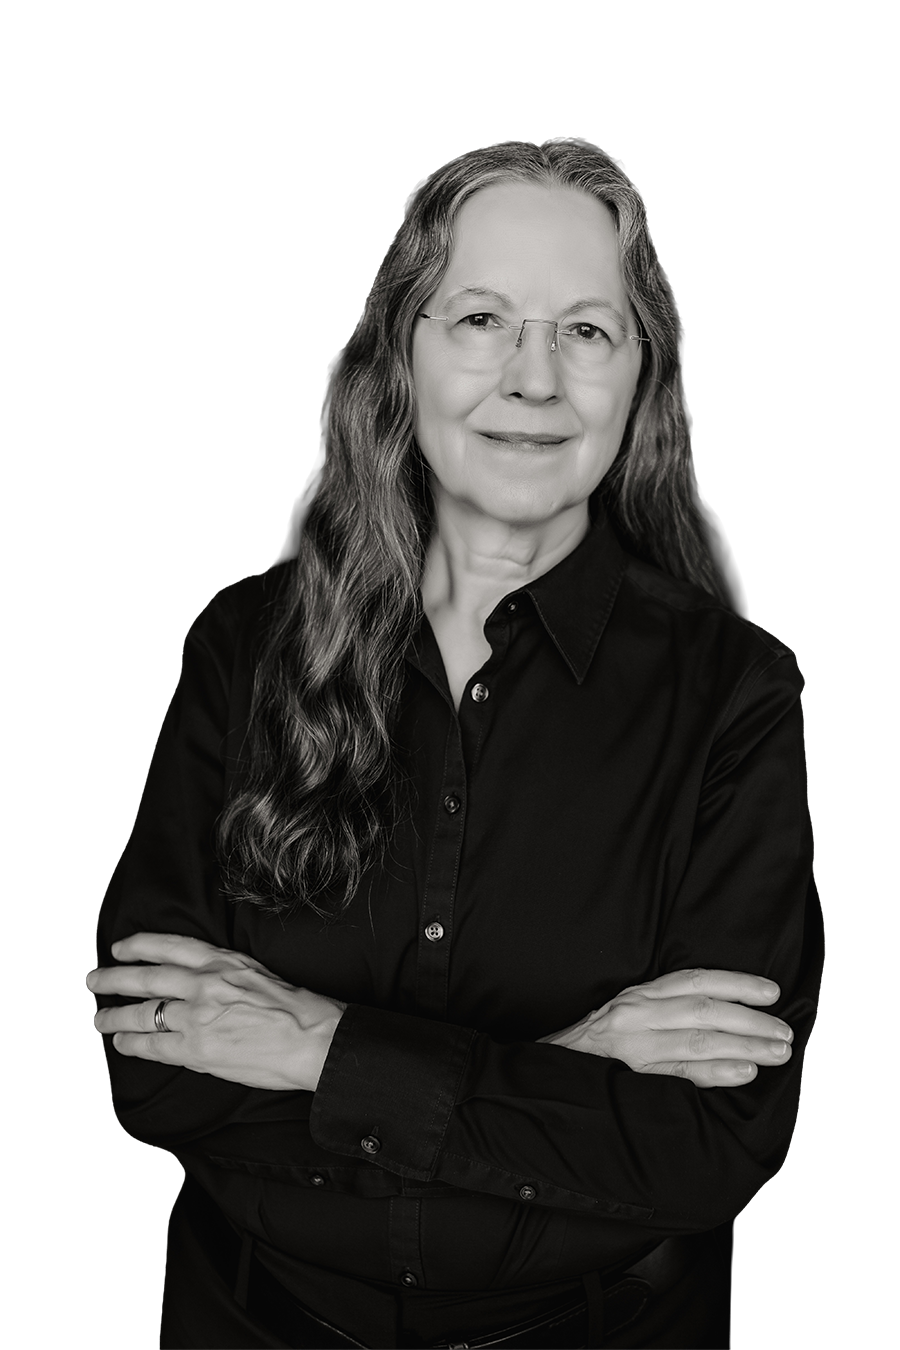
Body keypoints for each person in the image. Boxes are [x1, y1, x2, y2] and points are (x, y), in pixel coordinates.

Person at [88, 137, 824, 1349]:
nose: (535, 381)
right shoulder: (240, 648)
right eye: (482, 317)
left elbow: (708, 1150)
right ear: (402, 357)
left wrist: (310, 1046)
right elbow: (148, 1076)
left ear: (644, 374)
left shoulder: (741, 695)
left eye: (587, 330)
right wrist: (566, 1069)